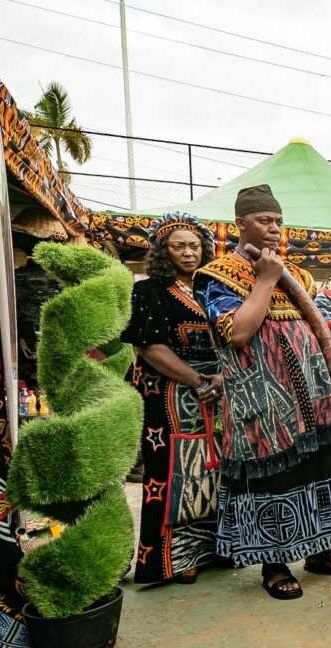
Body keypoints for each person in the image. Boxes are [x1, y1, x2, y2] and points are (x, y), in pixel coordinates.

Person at [194, 184, 331, 600]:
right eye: (264, 220)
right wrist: (265, 280)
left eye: (278, 221)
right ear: (240, 223)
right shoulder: (215, 276)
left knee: (318, 470)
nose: (273, 228)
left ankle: (320, 551)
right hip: (261, 404)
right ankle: (275, 564)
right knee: (273, 479)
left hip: (311, 398)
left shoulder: (299, 275)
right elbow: (237, 332)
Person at [122, 212, 222, 585]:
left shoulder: (214, 289)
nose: (188, 253)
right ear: (163, 251)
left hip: (218, 391)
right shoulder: (149, 291)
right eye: (178, 246)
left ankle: (215, 548)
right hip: (170, 395)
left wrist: (221, 379)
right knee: (174, 472)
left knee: (215, 470)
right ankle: (176, 558)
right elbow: (149, 347)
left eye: (195, 246)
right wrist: (197, 380)